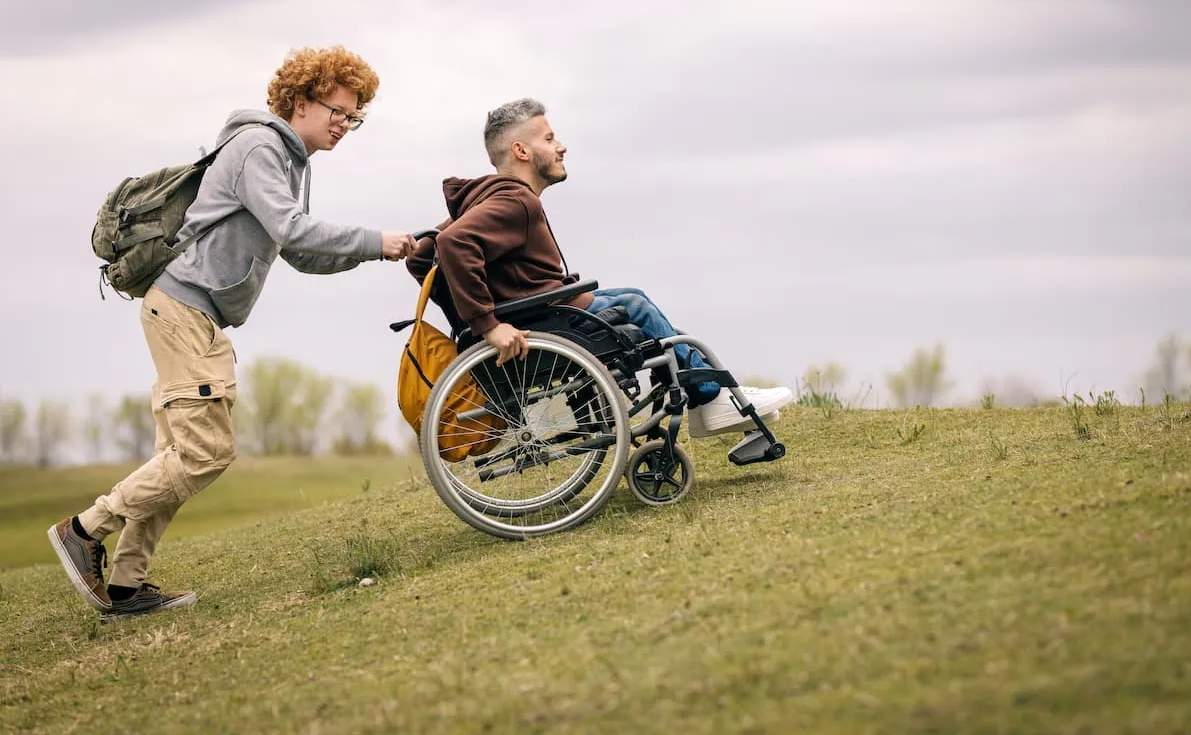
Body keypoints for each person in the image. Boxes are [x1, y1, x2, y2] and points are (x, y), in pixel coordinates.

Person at [49, 46, 419, 621]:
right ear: (301, 102)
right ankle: (83, 529)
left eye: (355, 117)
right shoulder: (258, 147)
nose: (345, 125)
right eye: (338, 112)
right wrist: (375, 239)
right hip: (182, 309)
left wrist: (382, 253)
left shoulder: (293, 161)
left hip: (198, 316)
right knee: (206, 453)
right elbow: (292, 228)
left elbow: (300, 252)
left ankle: (125, 585)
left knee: (177, 457)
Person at [405, 97, 792, 441]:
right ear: (521, 150)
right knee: (635, 305)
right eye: (549, 138)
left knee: (635, 299)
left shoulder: (484, 199)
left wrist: (469, 310)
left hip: (542, 310)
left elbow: (421, 256)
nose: (561, 146)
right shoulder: (516, 202)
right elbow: (453, 245)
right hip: (547, 320)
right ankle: (711, 399)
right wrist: (489, 324)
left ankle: (710, 395)